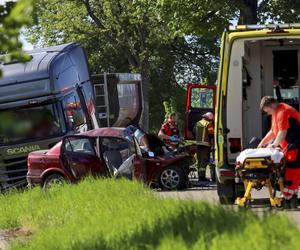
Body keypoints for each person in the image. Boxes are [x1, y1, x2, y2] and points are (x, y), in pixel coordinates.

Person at [258, 96, 300, 208]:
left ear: (272, 105)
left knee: (292, 174)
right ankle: (291, 200)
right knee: (291, 175)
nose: (268, 114)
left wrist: (273, 145)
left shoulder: (283, 111)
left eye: (268, 111)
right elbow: (273, 131)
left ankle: (287, 200)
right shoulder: (276, 112)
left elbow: (282, 132)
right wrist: (262, 143)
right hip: (290, 148)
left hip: (295, 147)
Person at [193, 112, 214, 182]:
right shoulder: (208, 124)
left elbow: (193, 131)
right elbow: (211, 134)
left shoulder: (198, 123)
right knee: (204, 162)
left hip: (198, 145)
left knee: (199, 161)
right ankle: (202, 178)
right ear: (209, 118)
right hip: (205, 146)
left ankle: (200, 177)